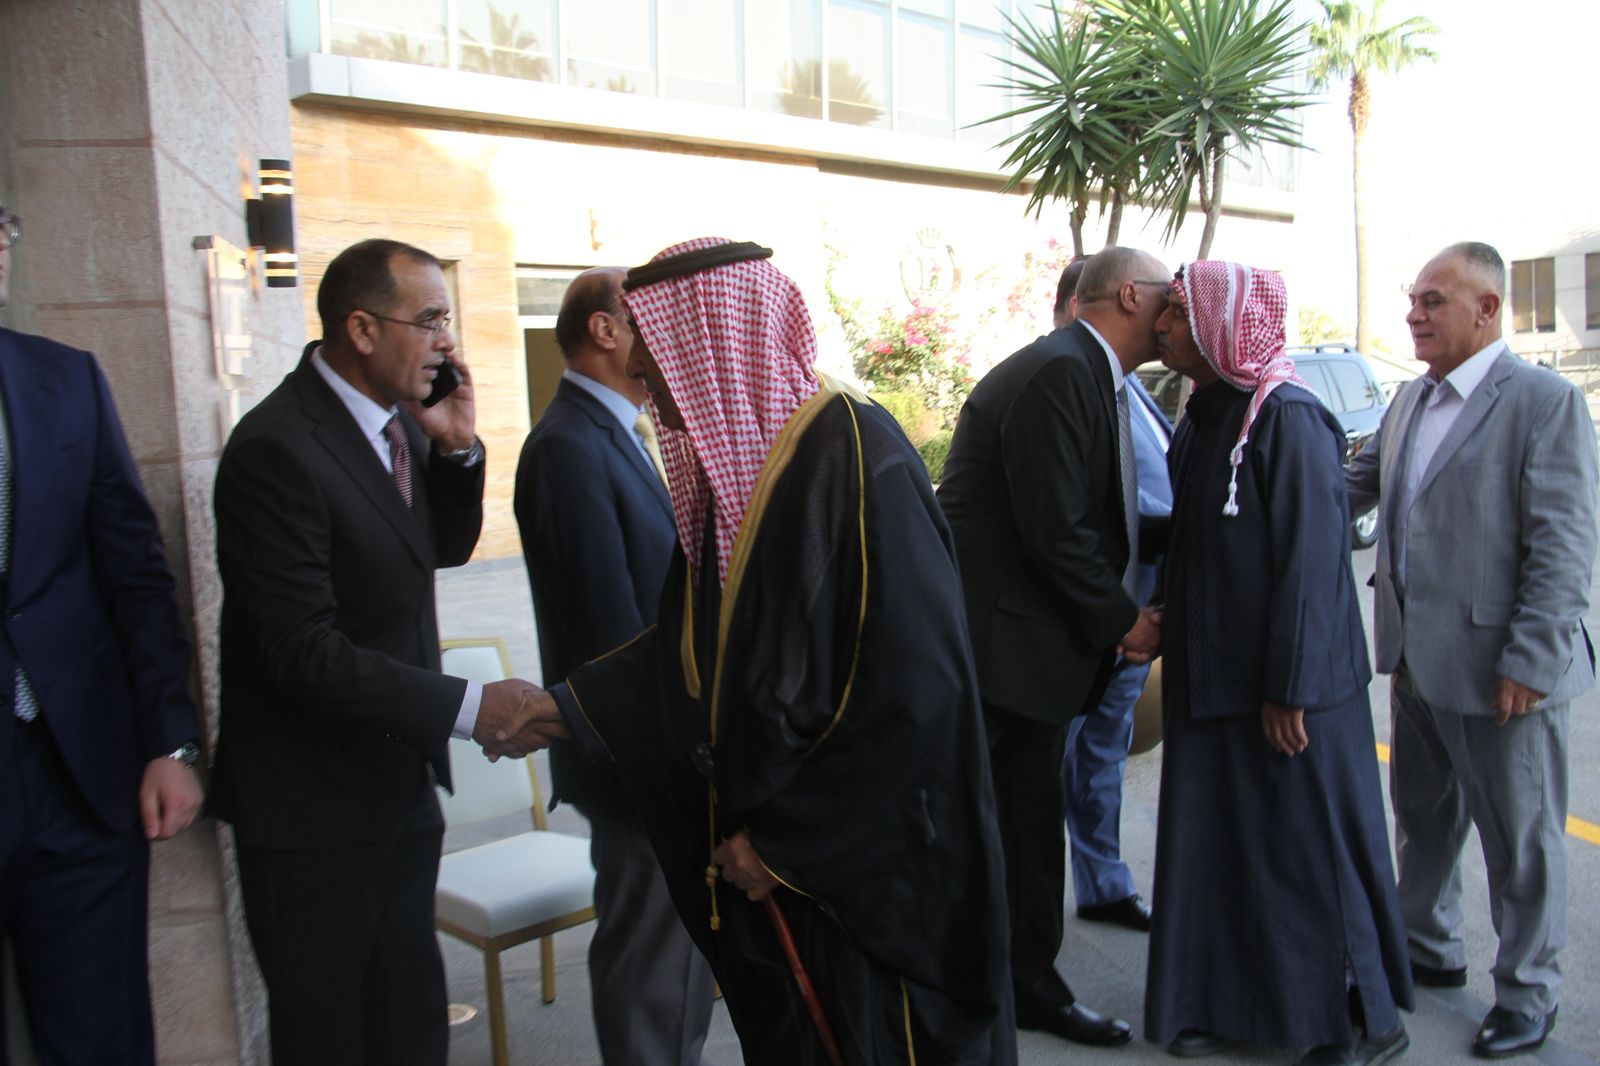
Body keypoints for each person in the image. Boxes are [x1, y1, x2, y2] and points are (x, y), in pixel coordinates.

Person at [510, 237, 1015, 1064]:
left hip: (860, 889)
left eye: (652, 341)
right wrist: (568, 705)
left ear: (711, 341)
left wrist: (791, 848)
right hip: (782, 878)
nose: (638, 365)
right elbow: (700, 643)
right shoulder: (749, 472)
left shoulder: (857, 462)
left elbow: (917, 700)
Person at [210, 238, 540, 1065]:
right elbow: (300, 649)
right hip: (311, 813)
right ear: (361, 329)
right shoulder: (277, 447)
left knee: (409, 1022)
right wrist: (470, 706)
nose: (446, 341)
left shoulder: (398, 426)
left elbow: (438, 549)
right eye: (428, 319)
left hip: (396, 785)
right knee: (331, 1036)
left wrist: (456, 448)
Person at [1145, 260, 1413, 1065]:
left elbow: (1310, 566)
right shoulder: (1205, 414)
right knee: (1229, 852)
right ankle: (1233, 1006)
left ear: (1220, 325)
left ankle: (1357, 1023)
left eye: (1177, 315)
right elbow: (1197, 542)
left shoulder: (1289, 418)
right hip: (1213, 683)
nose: (1162, 327)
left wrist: (1288, 688)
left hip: (1289, 693)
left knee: (1308, 856)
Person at [1346, 242, 1598, 1060]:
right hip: (1416, 663)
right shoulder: (1410, 401)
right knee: (1423, 821)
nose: (1413, 314)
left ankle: (1528, 994)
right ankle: (1427, 946)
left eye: (1433, 301)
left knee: (1521, 842)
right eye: (1413, 299)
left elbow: (1563, 546)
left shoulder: (1544, 403)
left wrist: (1531, 659)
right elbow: (1354, 486)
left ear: (1487, 309)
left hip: (1504, 674)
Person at [938, 245, 1169, 1047]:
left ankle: (1013, 981)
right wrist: (1126, 622)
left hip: (1025, 651)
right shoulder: (1062, 372)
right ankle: (1001, 989)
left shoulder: (1089, 370)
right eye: (1169, 297)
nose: (1175, 313)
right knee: (1005, 831)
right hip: (1005, 656)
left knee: (1022, 829)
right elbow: (1056, 531)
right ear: (1131, 295)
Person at [0, 203, 204, 1063]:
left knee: (101, 1039)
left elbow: (135, 576)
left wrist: (171, 741)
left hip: (76, 773)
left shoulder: (65, 380)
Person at [514, 267, 715, 1065]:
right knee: (649, 970)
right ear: (605, 330)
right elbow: (606, 627)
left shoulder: (618, 432)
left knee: (677, 963)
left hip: (657, 747)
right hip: (633, 758)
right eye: (649, 317)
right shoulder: (567, 446)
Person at [1053, 256, 1172, 933]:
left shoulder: (1130, 388)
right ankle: (1023, 909)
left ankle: (1104, 882)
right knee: (1048, 764)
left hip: (1131, 619)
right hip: (1085, 622)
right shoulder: (1061, 385)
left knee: (1102, 754)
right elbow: (1069, 522)